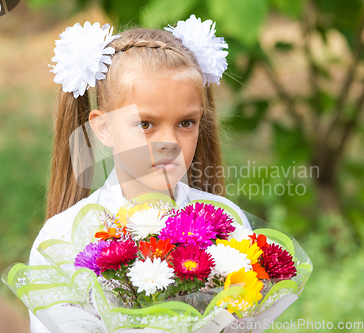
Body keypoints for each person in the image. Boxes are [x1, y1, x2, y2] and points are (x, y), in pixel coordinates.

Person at [28, 15, 251, 333]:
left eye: (186, 123)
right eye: (146, 124)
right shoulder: (62, 239)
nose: (170, 144)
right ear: (103, 127)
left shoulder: (226, 226)